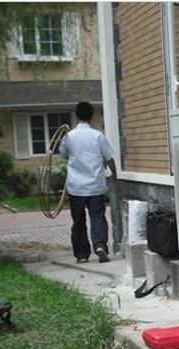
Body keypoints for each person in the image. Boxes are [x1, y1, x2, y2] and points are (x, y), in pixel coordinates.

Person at [59, 101, 117, 263]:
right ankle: (100, 246)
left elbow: (63, 153)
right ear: (92, 116)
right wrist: (114, 175)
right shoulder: (98, 136)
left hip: (76, 187)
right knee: (98, 217)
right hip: (96, 186)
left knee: (78, 220)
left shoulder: (69, 136)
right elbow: (109, 158)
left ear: (76, 115)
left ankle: (82, 254)